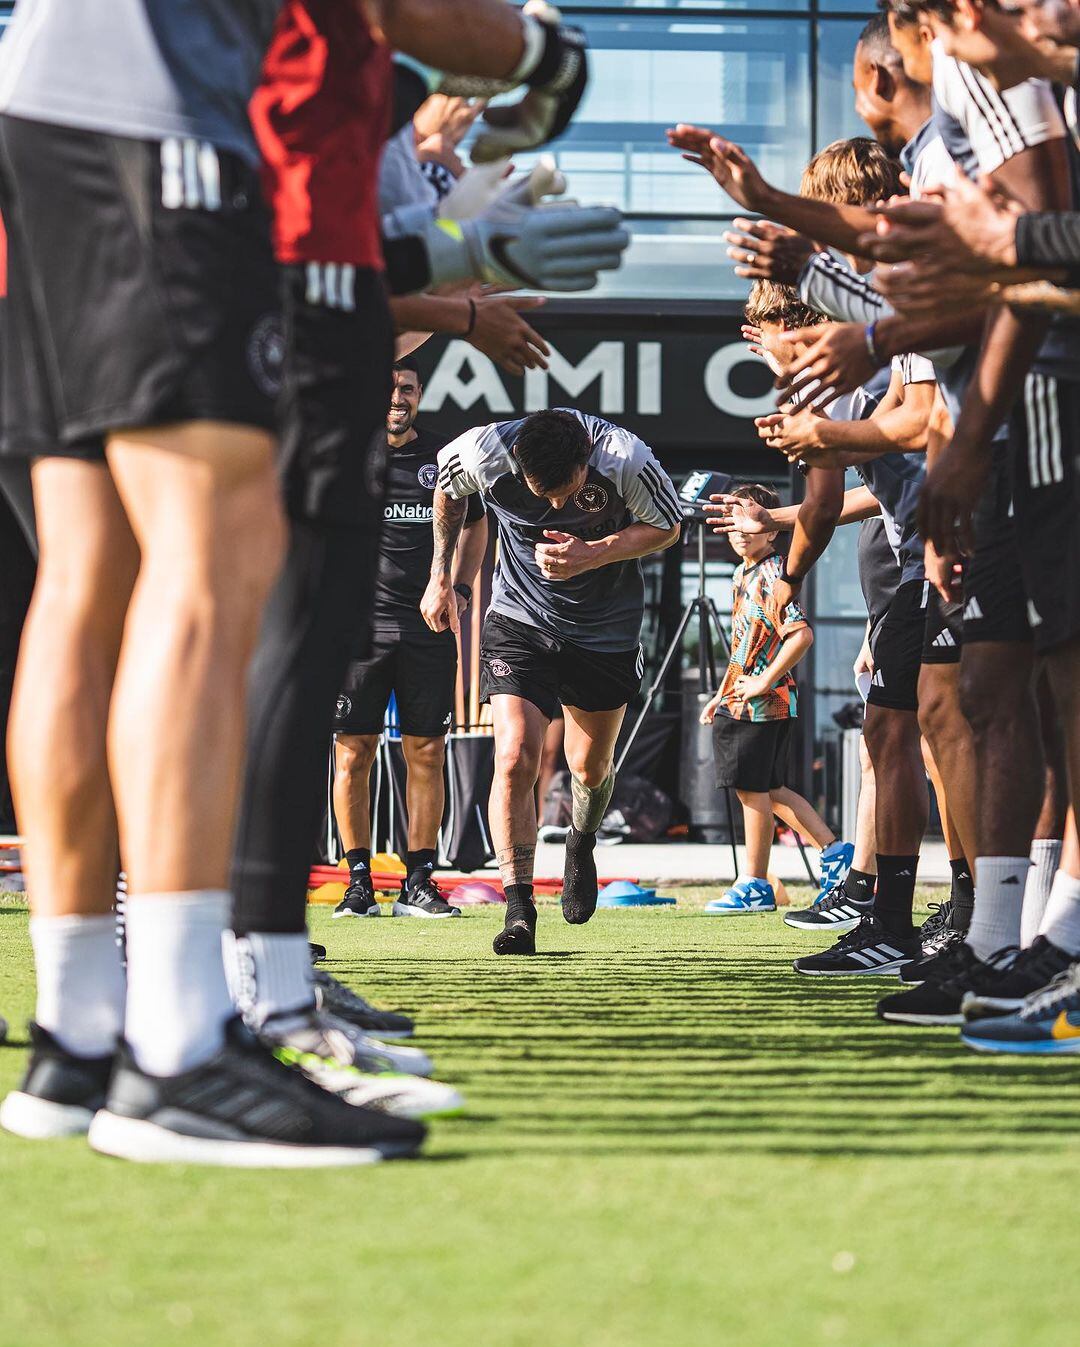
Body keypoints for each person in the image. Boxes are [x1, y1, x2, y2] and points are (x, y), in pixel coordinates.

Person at [0, 0, 421, 1165]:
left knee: (86, 574)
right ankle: (179, 1048)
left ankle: (78, 1033)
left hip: (47, 97)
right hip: (155, 108)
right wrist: (544, 64)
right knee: (210, 554)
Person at [422, 409, 682, 955]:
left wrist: (595, 552)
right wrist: (441, 576)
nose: (557, 506)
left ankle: (580, 840)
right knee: (515, 756)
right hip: (519, 619)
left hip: (604, 633)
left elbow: (669, 526)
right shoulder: (483, 451)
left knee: (590, 767)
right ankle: (518, 910)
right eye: (544, 493)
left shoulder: (625, 459)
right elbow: (448, 493)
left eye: (566, 492)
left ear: (587, 459)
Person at [332, 358, 488, 919]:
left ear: (420, 394)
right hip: (357, 631)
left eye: (407, 388)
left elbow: (475, 524)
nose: (397, 397)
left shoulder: (444, 458)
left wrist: (461, 589)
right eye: (388, 387)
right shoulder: (346, 451)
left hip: (427, 627)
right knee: (354, 753)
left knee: (426, 750)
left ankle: (418, 882)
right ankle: (358, 882)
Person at [698, 483, 852, 915]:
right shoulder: (742, 572)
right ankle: (836, 854)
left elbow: (800, 635)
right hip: (745, 699)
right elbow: (748, 643)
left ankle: (754, 884)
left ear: (772, 529)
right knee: (771, 789)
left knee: (752, 792)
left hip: (762, 703)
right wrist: (721, 694)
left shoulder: (770, 573)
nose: (740, 529)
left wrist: (763, 682)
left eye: (750, 520)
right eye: (733, 520)